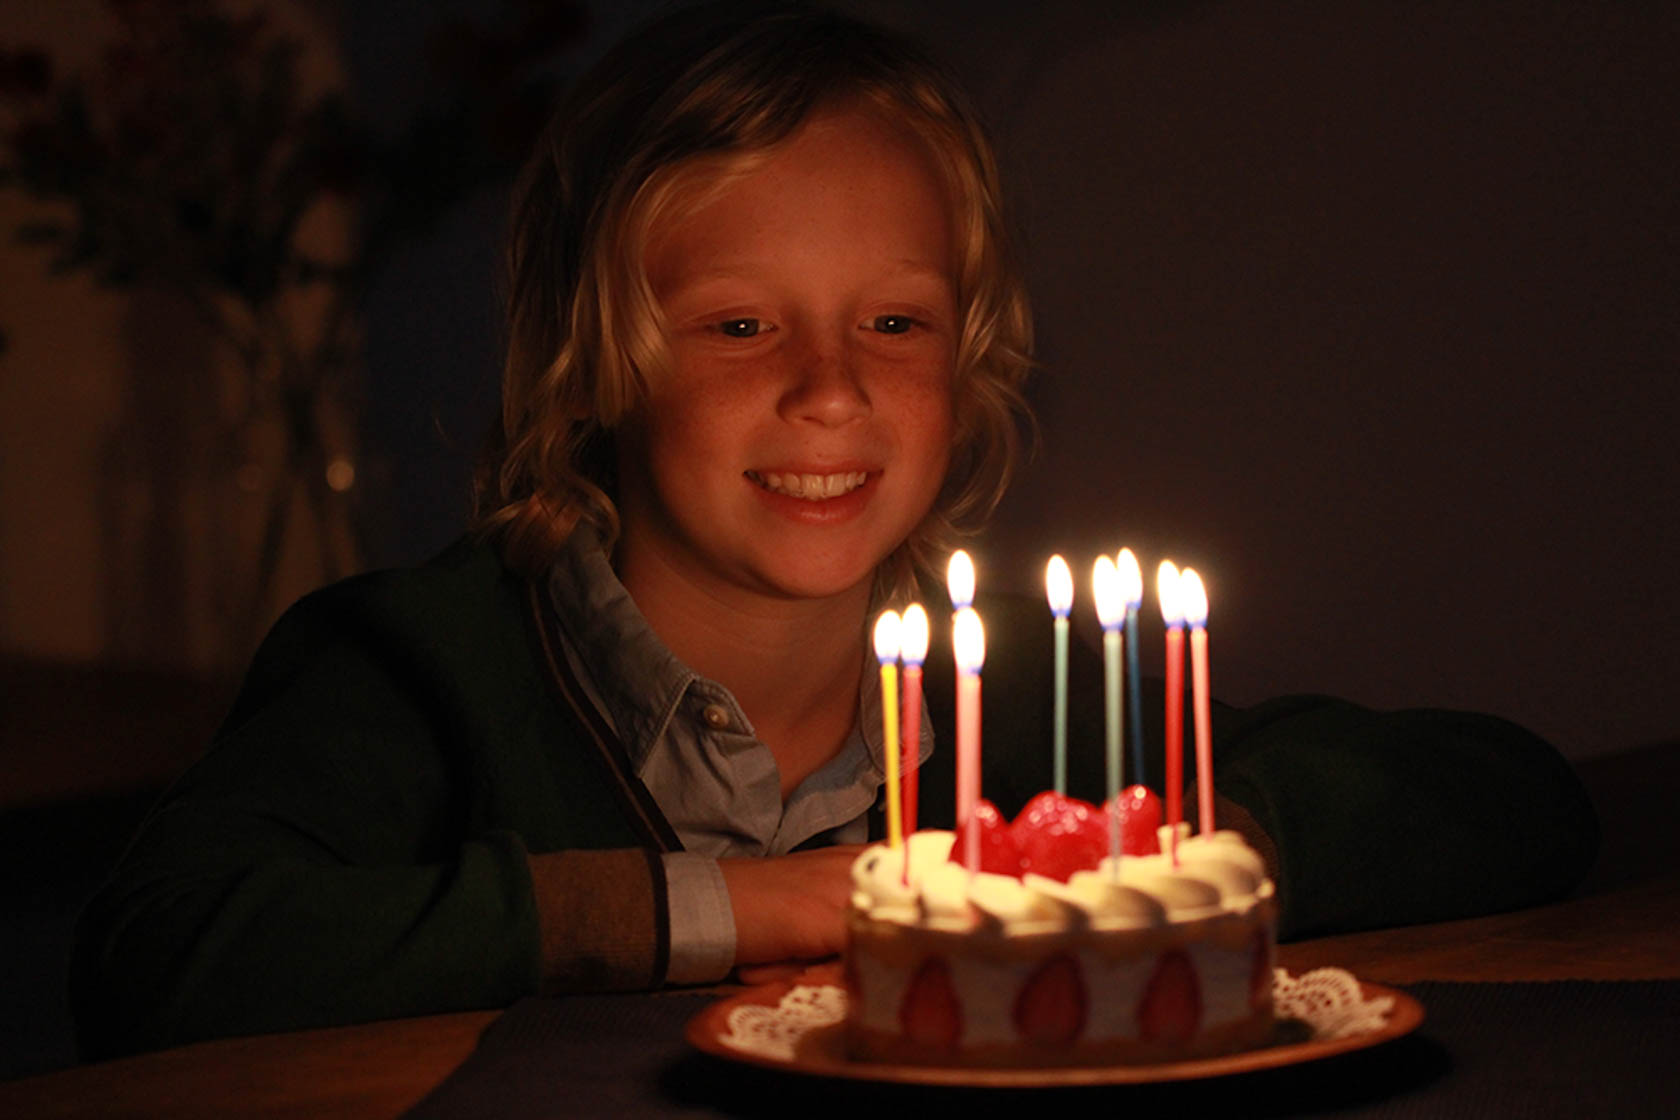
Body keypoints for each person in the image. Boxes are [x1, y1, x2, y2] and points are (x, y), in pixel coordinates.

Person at [70, 2, 1597, 1059]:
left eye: (893, 321)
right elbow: (162, 955)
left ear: (974, 353)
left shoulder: (1032, 717)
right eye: (739, 324)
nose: (829, 389)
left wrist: (1179, 860)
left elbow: (1518, 796)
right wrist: (728, 908)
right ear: (597, 357)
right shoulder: (416, 672)